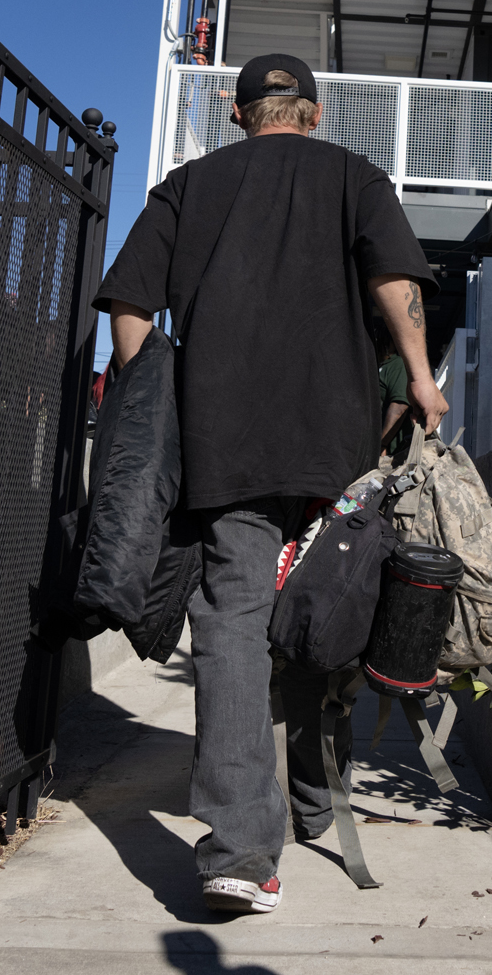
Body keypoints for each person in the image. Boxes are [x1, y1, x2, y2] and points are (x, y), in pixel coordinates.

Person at [93, 52, 447, 917]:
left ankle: (243, 852)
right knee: (333, 608)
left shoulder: (189, 186)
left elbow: (130, 305)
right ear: (314, 113)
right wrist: (418, 376)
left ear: (239, 114)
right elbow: (395, 282)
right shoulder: (356, 177)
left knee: (236, 620)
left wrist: (153, 398)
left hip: (228, 442)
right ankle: (316, 798)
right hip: (339, 443)